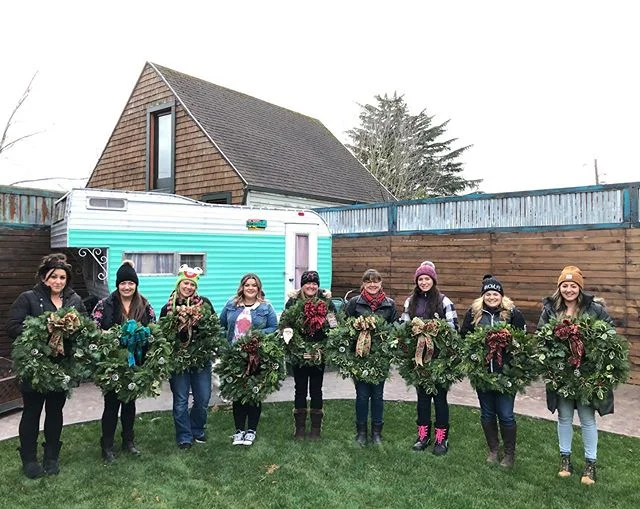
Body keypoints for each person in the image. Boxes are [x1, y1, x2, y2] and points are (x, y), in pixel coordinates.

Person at [7, 253, 87, 478]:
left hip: (62, 368)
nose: (58, 282)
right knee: (32, 412)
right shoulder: (28, 298)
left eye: (62, 277)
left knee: (55, 412)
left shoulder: (74, 301)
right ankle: (29, 459)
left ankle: (51, 456)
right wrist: (45, 328)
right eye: (54, 277)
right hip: (35, 367)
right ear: (44, 278)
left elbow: (84, 326)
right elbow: (12, 327)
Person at [538, 265, 613, 485]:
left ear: (579, 288)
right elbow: (542, 336)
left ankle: (590, 464)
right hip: (562, 375)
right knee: (564, 417)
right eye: (564, 285)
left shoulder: (594, 309)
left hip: (586, 374)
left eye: (573, 285)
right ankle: (565, 459)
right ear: (559, 287)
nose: (568, 289)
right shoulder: (550, 309)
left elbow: (609, 331)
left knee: (587, 419)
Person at [91, 260, 155, 462]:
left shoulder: (144, 304)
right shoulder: (105, 304)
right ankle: (107, 445)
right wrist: (107, 334)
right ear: (117, 285)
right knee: (111, 405)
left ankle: (128, 441)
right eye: (123, 283)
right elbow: (93, 328)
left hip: (135, 362)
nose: (127, 287)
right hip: (112, 363)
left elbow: (154, 328)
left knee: (129, 404)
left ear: (135, 285)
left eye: (130, 283)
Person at [460, 275, 526, 467]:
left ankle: (509, 453)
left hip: (506, 373)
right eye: (488, 293)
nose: (491, 297)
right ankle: (493, 449)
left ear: (501, 295)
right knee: (487, 413)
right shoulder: (473, 314)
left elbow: (522, 341)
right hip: (483, 373)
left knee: (505, 414)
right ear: (483, 296)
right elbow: (465, 337)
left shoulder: (513, 313)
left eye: (495, 293)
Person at [400, 261, 458, 455]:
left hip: (439, 360)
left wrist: (435, 331)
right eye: (420, 279)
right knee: (422, 399)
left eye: (427, 278)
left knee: (440, 399)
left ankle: (442, 438)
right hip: (419, 360)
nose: (424, 282)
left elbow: (452, 329)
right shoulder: (411, 302)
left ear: (433, 280)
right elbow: (405, 328)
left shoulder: (444, 301)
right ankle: (423, 435)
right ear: (416, 281)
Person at [159, 265, 214, 450]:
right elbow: (163, 335)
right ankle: (184, 435)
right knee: (181, 400)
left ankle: (197, 428)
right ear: (179, 284)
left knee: (203, 397)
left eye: (192, 284)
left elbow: (213, 328)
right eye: (185, 283)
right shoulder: (168, 308)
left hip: (201, 359)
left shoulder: (204, 304)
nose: (188, 287)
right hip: (178, 359)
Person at [219, 273, 278, 446]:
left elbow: (274, 327)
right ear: (242, 287)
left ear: (258, 288)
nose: (250, 288)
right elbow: (221, 324)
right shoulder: (231, 305)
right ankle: (239, 430)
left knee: (254, 393)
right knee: (237, 394)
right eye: (247, 285)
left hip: (255, 356)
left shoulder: (265, 308)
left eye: (254, 285)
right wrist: (225, 345)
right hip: (234, 356)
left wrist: (257, 335)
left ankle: (251, 429)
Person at [345, 268, 398, 445]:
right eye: (368, 281)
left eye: (376, 281)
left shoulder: (389, 304)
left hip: (380, 358)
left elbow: (395, 329)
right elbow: (345, 328)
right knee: (361, 395)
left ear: (381, 283)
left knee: (377, 395)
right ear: (363, 284)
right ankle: (361, 432)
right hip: (359, 357)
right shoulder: (354, 303)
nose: (372, 285)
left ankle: (376, 432)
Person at [283, 270, 336, 440]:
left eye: (314, 283)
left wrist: (325, 346)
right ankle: (299, 428)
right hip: (299, 354)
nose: (311, 286)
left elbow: (334, 325)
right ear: (302, 285)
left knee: (316, 389)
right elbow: (285, 323)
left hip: (318, 353)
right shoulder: (293, 303)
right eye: (308, 283)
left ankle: (315, 428)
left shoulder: (326, 303)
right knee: (299, 389)